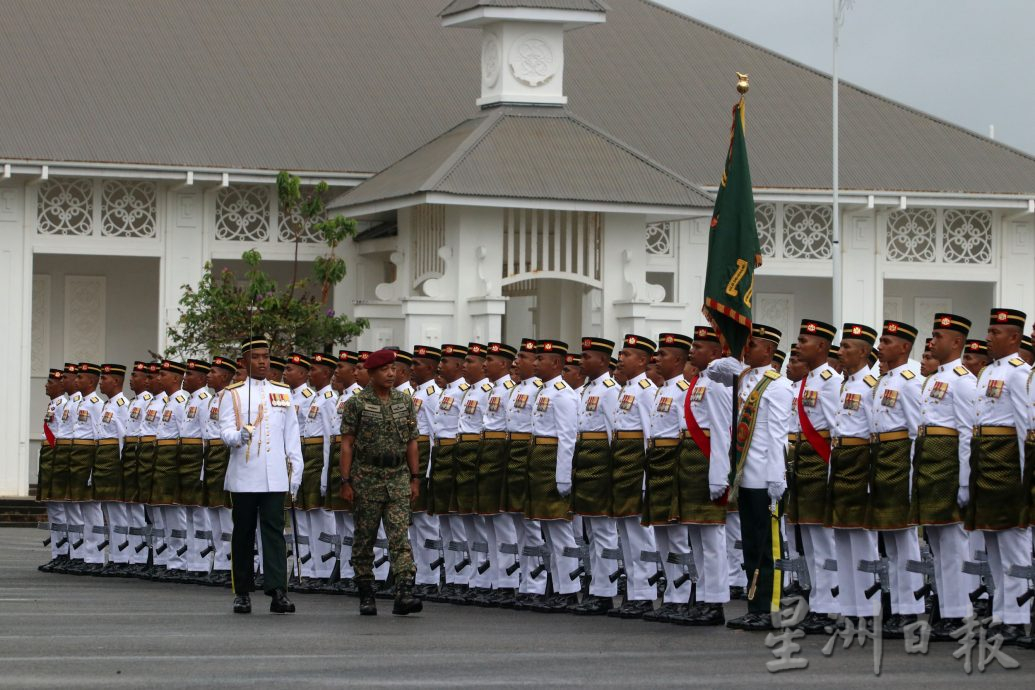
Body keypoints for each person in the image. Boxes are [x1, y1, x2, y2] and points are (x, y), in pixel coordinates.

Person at [705, 324, 793, 631]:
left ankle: (770, 609)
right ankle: (755, 605)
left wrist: (777, 478)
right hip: (744, 475)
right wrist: (730, 358)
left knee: (769, 547)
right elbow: (712, 372)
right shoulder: (744, 378)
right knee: (751, 546)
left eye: (752, 345)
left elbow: (778, 435)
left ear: (768, 351)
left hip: (765, 477)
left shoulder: (778, 385)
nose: (747, 349)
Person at [219, 335, 301, 615]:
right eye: (256, 357)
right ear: (244, 361)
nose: (263, 361)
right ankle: (242, 591)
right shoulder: (233, 393)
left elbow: (291, 434)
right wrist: (238, 437)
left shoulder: (282, 391)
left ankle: (278, 589)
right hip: (244, 473)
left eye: (265, 356)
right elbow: (225, 431)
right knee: (243, 532)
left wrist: (296, 468)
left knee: (274, 532)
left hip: (274, 474)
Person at [339, 348, 423, 616]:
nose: (391, 374)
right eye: (385, 370)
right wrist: (345, 480)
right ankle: (366, 592)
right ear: (372, 373)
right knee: (365, 538)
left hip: (397, 477)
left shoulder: (405, 401)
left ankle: (404, 593)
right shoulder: (357, 404)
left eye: (393, 369)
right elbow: (347, 444)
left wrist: (415, 477)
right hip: (367, 478)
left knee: (400, 537)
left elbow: (412, 442)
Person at [911, 313, 977, 640]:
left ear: (956, 342)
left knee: (953, 546)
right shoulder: (934, 378)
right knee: (937, 545)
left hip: (950, 468)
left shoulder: (964, 380)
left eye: (938, 336)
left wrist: (965, 481)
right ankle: (945, 611)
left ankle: (959, 614)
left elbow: (967, 433)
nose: (932, 340)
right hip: (930, 469)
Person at [968, 308, 1032, 644]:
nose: (988, 337)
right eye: (989, 331)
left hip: (1008, 464)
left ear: (1014, 338)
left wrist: (1025, 477)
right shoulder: (989, 372)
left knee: (1013, 543)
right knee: (992, 543)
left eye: (995, 333)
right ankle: (1001, 612)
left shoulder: (1020, 374)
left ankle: (1018, 615)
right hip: (986, 462)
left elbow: (1023, 427)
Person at [673, 326, 732, 626]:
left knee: (711, 540)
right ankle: (702, 596)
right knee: (696, 538)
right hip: (691, 464)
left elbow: (722, 432)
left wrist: (719, 476)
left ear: (715, 352)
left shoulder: (718, 384)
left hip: (708, 463)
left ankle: (716, 601)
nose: (691, 351)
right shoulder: (698, 381)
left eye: (698, 347)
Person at [788, 319, 842, 632]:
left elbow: (836, 431)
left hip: (820, 463)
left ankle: (830, 605)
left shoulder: (830, 381)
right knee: (808, 540)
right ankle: (819, 601)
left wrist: (834, 474)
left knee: (824, 542)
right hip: (802, 464)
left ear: (821, 347)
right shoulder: (807, 381)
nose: (797, 346)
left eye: (804, 341)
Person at [641, 332, 699, 623]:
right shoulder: (660, 390)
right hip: (656, 461)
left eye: (662, 355)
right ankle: (672, 592)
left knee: (676, 536)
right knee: (661, 531)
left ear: (677, 359)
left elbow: (684, 436)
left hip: (672, 462)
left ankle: (682, 593)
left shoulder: (683, 391)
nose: (657, 359)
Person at [825, 324, 880, 628]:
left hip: (861, 463)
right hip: (842, 461)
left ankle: (869, 609)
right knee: (842, 538)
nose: (841, 352)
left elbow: (875, 432)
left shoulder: (873, 384)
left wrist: (872, 477)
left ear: (863, 352)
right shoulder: (845, 384)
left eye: (847, 347)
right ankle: (850, 607)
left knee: (862, 539)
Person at [526, 339, 581, 612]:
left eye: (541, 359)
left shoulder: (563, 393)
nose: (535, 363)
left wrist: (563, 477)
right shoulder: (544, 391)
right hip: (540, 462)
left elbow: (567, 438)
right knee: (547, 528)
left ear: (557, 364)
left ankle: (569, 588)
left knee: (560, 529)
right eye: (535, 358)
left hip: (553, 463)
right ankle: (558, 586)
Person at [608, 334, 660, 618]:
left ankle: (645, 592)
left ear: (642, 360)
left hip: (636, 467)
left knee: (641, 534)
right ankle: (634, 590)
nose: (621, 358)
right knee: (626, 534)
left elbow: (649, 438)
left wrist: (645, 480)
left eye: (627, 354)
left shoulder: (645, 390)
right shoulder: (624, 389)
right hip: (622, 467)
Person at [568, 337, 620, 615]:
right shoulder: (588, 389)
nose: (581, 361)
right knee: (592, 531)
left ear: (602, 360)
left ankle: (605, 591)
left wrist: (613, 472)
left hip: (600, 461)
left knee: (604, 532)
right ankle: (597, 586)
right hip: (586, 459)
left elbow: (614, 433)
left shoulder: (610, 390)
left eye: (586, 356)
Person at [409, 345, 443, 597]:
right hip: (413, 461)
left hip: (424, 463)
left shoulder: (433, 395)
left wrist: (428, 472)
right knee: (415, 522)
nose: (412, 368)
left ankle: (430, 575)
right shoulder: (417, 393)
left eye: (417, 365)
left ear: (430, 368)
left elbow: (433, 435)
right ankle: (420, 573)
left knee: (426, 523)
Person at [95, 363, 130, 575]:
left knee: (119, 513)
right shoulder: (107, 405)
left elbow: (123, 437)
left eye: (104, 379)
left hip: (115, 463)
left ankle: (122, 556)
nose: (101, 382)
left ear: (116, 381)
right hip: (104, 462)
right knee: (109, 509)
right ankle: (116, 555)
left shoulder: (123, 405)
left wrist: (121, 466)